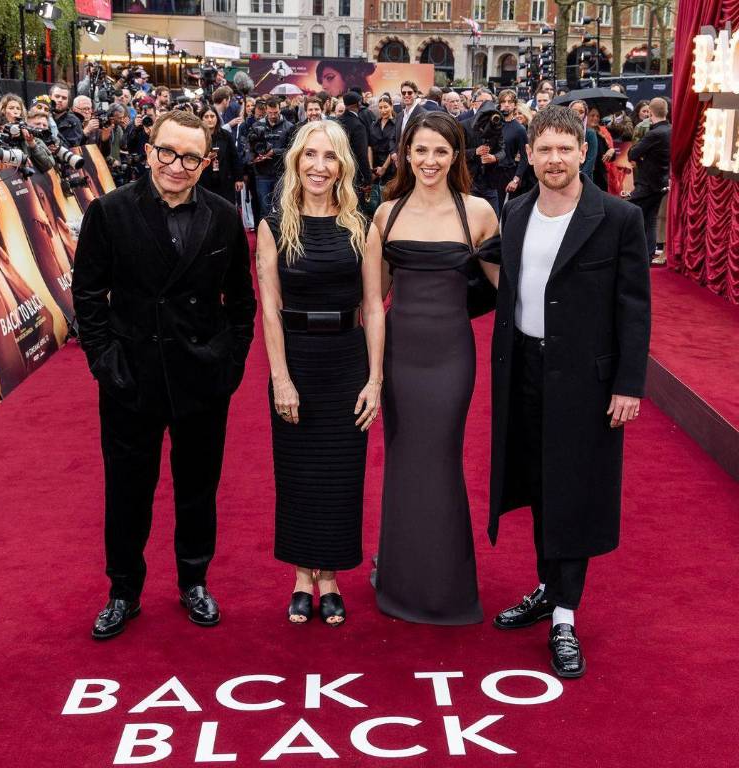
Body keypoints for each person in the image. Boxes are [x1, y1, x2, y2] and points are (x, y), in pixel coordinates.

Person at [72, 110, 257, 640]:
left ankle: (193, 581)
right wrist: (107, 364)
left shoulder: (222, 215)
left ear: (206, 161)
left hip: (202, 377)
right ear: (149, 149)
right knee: (127, 489)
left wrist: (231, 360)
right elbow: (88, 297)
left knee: (199, 487)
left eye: (191, 157)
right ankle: (123, 590)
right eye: (168, 152)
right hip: (133, 377)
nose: (178, 165)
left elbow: (240, 301)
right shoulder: (109, 213)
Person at [484, 105, 651, 678]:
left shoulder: (619, 218)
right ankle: (547, 587)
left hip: (587, 380)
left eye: (565, 149)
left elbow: (634, 308)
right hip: (522, 370)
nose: (554, 160)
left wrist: (629, 383)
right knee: (536, 482)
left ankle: (564, 618)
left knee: (573, 493)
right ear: (528, 155)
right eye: (544, 150)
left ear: (585, 152)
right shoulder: (514, 211)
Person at [256, 120, 384, 625]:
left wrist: (375, 379)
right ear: (295, 161)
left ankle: (328, 578)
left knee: (340, 475)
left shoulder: (362, 224)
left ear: (342, 167)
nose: (318, 166)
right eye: (310, 155)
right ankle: (299, 578)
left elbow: (374, 306)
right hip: (297, 362)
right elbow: (269, 310)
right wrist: (281, 378)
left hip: (347, 361)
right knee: (297, 475)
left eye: (329, 158)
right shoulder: (273, 225)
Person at [373, 111, 498, 624]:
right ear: (406, 154)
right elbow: (373, 296)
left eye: (440, 152)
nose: (429, 161)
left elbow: (504, 291)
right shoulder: (387, 214)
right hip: (400, 356)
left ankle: (445, 584)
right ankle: (400, 575)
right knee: (403, 463)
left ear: (456, 157)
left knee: (441, 460)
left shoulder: (479, 213)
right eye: (420, 150)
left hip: (450, 357)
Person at [628, 97, 671, 263]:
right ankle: (647, 254)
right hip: (661, 182)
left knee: (628, 212)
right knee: (650, 219)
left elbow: (632, 154)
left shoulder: (654, 134)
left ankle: (634, 252)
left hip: (647, 184)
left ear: (651, 113)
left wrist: (642, 157)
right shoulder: (671, 130)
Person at [248, 96, 294, 218]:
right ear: (266, 111)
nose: (273, 116)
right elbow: (249, 147)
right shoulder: (257, 125)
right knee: (265, 209)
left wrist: (274, 151)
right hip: (262, 173)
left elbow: (293, 150)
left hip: (282, 173)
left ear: (280, 109)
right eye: (270, 113)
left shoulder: (289, 126)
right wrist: (254, 157)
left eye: (276, 113)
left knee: (282, 209)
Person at [197, 104, 243, 205]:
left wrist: (238, 178)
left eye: (212, 116)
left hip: (224, 178)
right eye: (206, 116)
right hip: (204, 180)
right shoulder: (197, 136)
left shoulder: (226, 135)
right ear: (201, 119)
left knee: (226, 208)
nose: (210, 119)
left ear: (217, 118)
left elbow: (234, 157)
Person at [339, 92, 371, 203]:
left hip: (339, 172)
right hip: (354, 175)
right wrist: (367, 178)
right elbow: (361, 154)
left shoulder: (338, 121)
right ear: (358, 103)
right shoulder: (358, 126)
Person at [368, 96, 397, 186]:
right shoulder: (373, 125)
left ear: (391, 107)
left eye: (385, 107)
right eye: (380, 108)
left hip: (390, 169)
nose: (383, 110)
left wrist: (384, 168)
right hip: (375, 169)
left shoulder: (397, 124)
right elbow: (369, 147)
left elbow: (395, 147)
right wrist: (371, 168)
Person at [569, 100, 597, 182]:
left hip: (584, 177)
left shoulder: (590, 133)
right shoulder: (564, 132)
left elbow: (591, 159)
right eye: (574, 111)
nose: (577, 114)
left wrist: (581, 176)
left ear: (585, 115)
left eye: (581, 112)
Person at [50, 82, 84, 147]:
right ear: (50, 97)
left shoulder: (74, 122)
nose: (60, 100)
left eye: (64, 98)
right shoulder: (43, 116)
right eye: (57, 96)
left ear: (68, 101)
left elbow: (71, 148)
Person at [393, 80, 425, 149]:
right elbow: (394, 137)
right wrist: (393, 152)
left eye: (409, 93)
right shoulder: (399, 115)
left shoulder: (423, 114)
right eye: (403, 93)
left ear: (416, 94)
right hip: (399, 157)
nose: (406, 95)